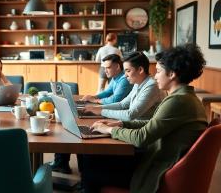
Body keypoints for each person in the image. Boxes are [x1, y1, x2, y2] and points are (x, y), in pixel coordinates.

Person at [81, 44, 208, 193]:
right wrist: (121, 123)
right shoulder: (185, 98)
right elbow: (153, 123)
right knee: (92, 159)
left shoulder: (178, 101)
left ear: (172, 74)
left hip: (158, 167)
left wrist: (110, 129)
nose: (155, 76)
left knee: (90, 169)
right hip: (161, 159)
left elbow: (142, 137)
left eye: (159, 71)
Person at [51, 54, 133, 174]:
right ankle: (62, 163)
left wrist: (96, 101)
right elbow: (108, 92)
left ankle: (64, 165)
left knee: (75, 127)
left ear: (117, 66)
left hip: (114, 114)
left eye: (108, 67)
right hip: (111, 112)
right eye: (104, 68)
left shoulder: (124, 80)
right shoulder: (115, 78)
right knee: (71, 124)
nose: (105, 71)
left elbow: (116, 99)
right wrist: (94, 97)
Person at [84, 51, 165, 121]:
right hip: (133, 126)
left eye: (128, 71)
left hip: (142, 131)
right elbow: (123, 104)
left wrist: (101, 111)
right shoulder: (138, 83)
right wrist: (98, 108)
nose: (125, 75)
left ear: (140, 70)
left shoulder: (151, 86)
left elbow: (130, 115)